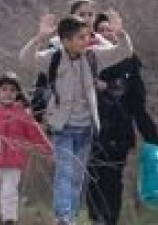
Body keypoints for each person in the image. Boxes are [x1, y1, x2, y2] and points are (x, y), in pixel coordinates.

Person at [19, 12, 134, 225]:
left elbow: (124, 52)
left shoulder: (93, 56)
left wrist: (121, 34)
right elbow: (25, 58)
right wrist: (40, 38)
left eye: (87, 36)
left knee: (77, 177)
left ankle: (69, 217)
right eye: (81, 37)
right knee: (64, 171)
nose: (86, 41)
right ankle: (63, 217)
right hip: (62, 127)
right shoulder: (53, 58)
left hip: (86, 127)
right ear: (66, 41)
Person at [84, 11, 158, 225]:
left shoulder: (129, 62)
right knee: (93, 177)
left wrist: (152, 136)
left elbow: (137, 103)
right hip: (90, 129)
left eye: (110, 30)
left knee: (113, 178)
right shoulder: (85, 58)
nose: (106, 34)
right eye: (101, 30)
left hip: (119, 130)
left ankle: (109, 219)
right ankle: (95, 217)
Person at [0, 74, 51, 225]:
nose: (8, 93)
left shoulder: (22, 114)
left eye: (12, 90)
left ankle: (9, 220)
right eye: (4, 89)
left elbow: (36, 134)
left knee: (9, 192)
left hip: (14, 161)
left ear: (17, 94)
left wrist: (48, 150)